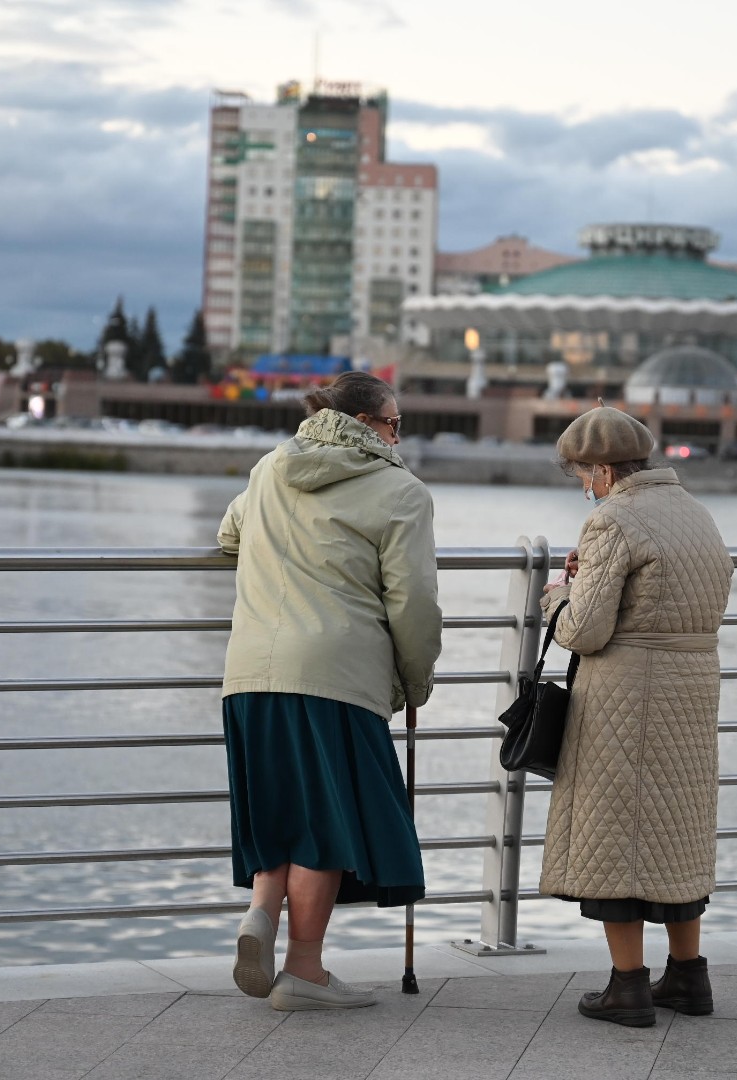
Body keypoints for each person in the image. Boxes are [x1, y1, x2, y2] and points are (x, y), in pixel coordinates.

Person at [216, 371, 442, 1012]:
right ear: (370, 425)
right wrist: (416, 677)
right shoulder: (400, 490)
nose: (400, 435)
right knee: (325, 821)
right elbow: (414, 602)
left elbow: (229, 535)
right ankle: (304, 971)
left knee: (279, 806)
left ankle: (261, 911)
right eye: (396, 423)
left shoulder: (270, 469)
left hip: (251, 671)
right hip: (337, 675)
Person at [538, 405, 733, 1027]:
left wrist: (556, 597)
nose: (583, 487)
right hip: (693, 687)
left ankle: (628, 987)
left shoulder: (612, 519)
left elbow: (586, 629)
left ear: (601, 469)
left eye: (581, 475)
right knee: (676, 830)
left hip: (627, 694)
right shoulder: (694, 513)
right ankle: (688, 979)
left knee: (613, 833)